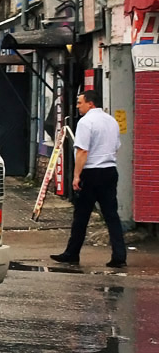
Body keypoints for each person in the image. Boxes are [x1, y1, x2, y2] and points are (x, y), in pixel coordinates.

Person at [51, 89, 127, 269]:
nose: (77, 106)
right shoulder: (112, 121)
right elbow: (116, 146)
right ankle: (119, 255)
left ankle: (72, 253)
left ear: (90, 103)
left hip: (91, 172)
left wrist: (77, 176)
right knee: (111, 215)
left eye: (80, 103)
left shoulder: (86, 122)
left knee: (81, 215)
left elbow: (82, 151)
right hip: (109, 170)